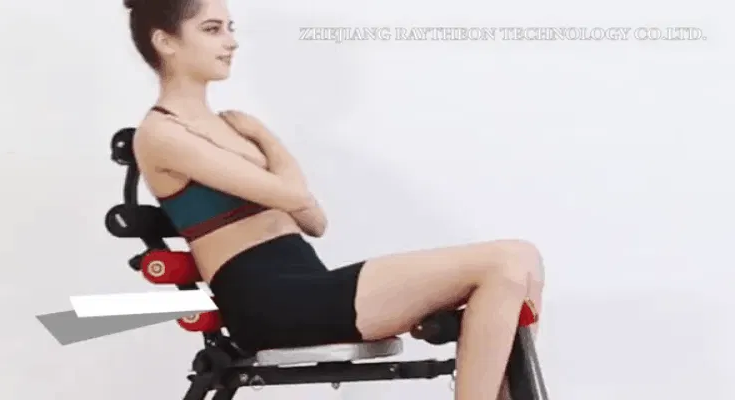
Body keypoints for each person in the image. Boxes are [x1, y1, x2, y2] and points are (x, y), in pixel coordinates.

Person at [124, 0, 546, 398]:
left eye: (230, 28)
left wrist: (263, 146)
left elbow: (315, 222)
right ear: (166, 41)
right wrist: (267, 139)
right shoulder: (163, 134)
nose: (231, 41)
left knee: (523, 259)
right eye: (212, 29)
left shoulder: (230, 127)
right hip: (273, 304)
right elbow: (294, 195)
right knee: (503, 262)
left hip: (308, 287)